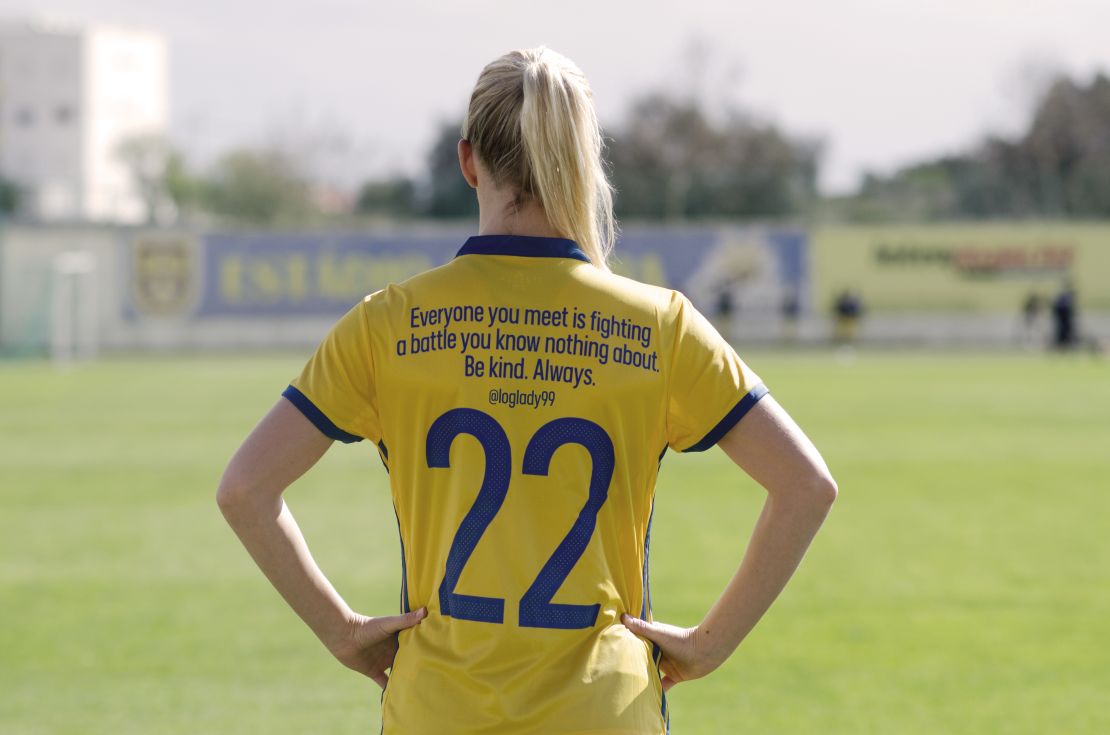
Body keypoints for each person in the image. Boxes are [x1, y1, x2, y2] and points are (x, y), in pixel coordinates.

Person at [217, 47, 837, 734]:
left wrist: (341, 628)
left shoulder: (388, 322)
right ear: (583, 161)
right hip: (604, 708)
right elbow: (806, 485)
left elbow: (244, 489)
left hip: (438, 708)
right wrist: (711, 642)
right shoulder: (660, 325)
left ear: (468, 160)